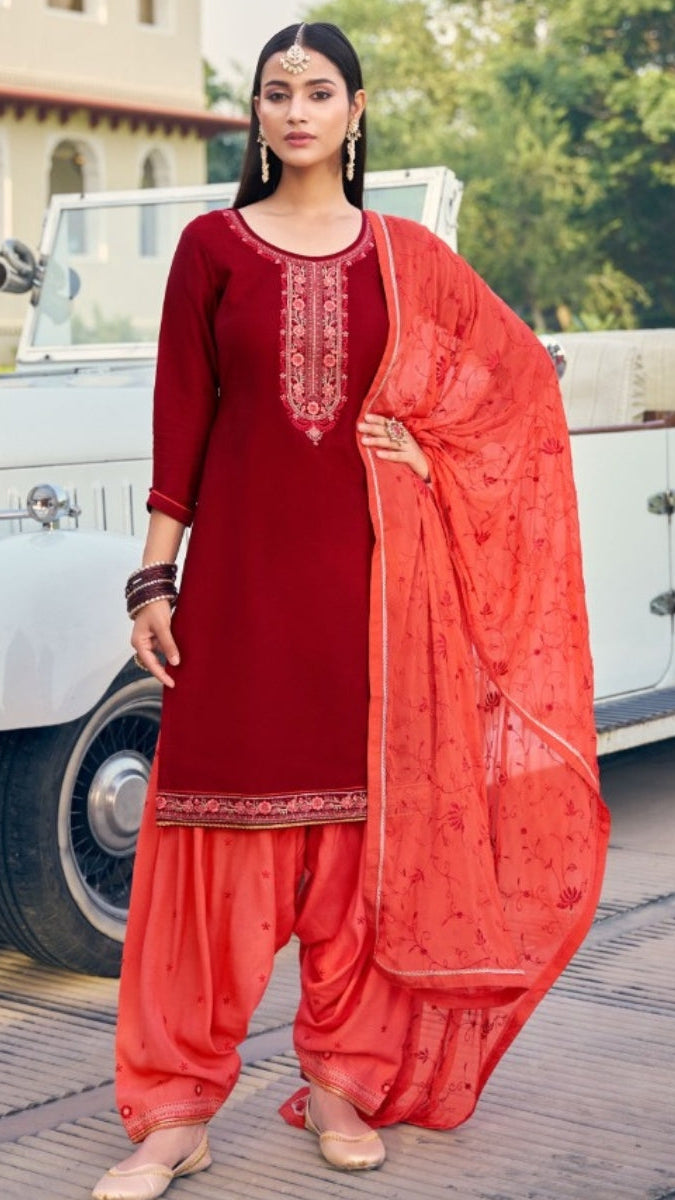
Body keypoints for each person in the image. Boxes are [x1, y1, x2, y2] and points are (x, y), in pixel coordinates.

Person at [92, 21, 609, 1200]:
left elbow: (517, 385)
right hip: (240, 589)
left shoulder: (403, 256)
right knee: (215, 833)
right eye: (275, 92)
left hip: (376, 595)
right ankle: (177, 1113)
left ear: (356, 110)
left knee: (362, 847)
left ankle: (341, 1080)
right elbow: (182, 421)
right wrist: (154, 578)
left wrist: (430, 456)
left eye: (318, 91)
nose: (295, 111)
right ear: (256, 114)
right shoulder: (211, 249)